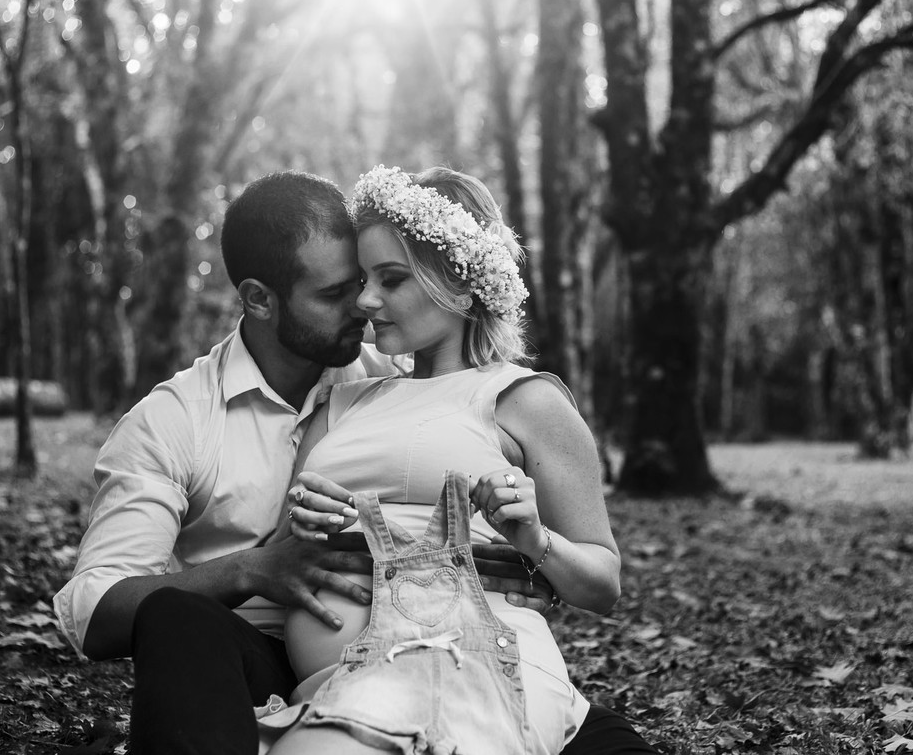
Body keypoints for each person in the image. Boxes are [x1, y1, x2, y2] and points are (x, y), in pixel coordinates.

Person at [53, 170, 658, 755]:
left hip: (448, 642)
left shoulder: (400, 373)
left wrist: (532, 552)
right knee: (176, 619)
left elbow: (571, 551)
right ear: (260, 300)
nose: (365, 305)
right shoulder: (175, 420)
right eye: (339, 292)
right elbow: (94, 613)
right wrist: (257, 568)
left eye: (376, 279)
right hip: (261, 659)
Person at [259, 165, 623, 755]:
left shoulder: (525, 400)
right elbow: (280, 561)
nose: (366, 300)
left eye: (392, 279)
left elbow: (603, 585)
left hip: (471, 661)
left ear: (459, 282)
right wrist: (298, 526)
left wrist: (535, 539)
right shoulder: (339, 401)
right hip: (338, 682)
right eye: (363, 280)